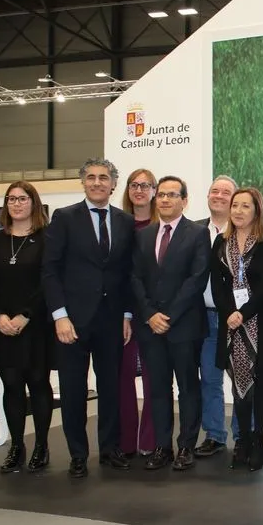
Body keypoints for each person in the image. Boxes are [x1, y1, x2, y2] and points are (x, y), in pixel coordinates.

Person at [43, 158, 135, 478]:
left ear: (113, 184)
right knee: (73, 391)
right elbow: (50, 270)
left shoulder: (125, 221)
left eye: (104, 178)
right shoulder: (64, 217)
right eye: (91, 177)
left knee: (110, 388)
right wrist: (59, 316)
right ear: (83, 182)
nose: (97, 182)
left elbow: (127, 273)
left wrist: (127, 314)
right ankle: (78, 454)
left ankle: (109, 449)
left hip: (111, 321)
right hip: (72, 321)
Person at [130, 176, 210, 472]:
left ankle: (186, 446)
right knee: (158, 389)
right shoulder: (143, 235)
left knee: (188, 387)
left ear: (184, 201)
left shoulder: (198, 233)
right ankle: (162, 447)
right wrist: (150, 314)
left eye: (172, 195)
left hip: (184, 326)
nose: (164, 199)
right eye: (161, 194)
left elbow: (196, 279)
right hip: (150, 327)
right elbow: (135, 277)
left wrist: (170, 316)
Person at [211, 188, 263, 471]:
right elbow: (217, 284)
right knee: (238, 385)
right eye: (235, 205)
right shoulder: (221, 242)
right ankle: (242, 440)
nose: (238, 211)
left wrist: (243, 313)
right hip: (231, 323)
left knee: (260, 384)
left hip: (260, 322)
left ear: (257, 211)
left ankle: (258, 441)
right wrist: (229, 313)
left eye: (245, 206)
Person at [0, 181, 53, 474]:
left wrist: (26, 315)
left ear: (33, 203)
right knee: (12, 385)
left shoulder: (47, 239)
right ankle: (16, 445)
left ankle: (41, 446)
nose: (16, 204)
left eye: (22, 199)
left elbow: (48, 282)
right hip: (3, 327)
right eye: (11, 199)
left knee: (38, 383)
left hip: (36, 325)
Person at [194, 175, 239, 458]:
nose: (219, 196)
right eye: (215, 191)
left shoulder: (245, 230)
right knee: (210, 379)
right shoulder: (195, 230)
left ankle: (243, 436)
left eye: (226, 192)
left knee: (242, 381)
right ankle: (214, 435)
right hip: (206, 318)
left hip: (238, 318)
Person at [118, 169, 157, 458]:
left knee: (154, 379)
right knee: (123, 377)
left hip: (154, 311)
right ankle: (126, 442)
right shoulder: (118, 225)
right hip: (121, 313)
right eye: (134, 185)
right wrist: (125, 313)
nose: (139, 190)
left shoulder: (162, 226)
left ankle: (150, 440)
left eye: (145, 185)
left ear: (154, 190)